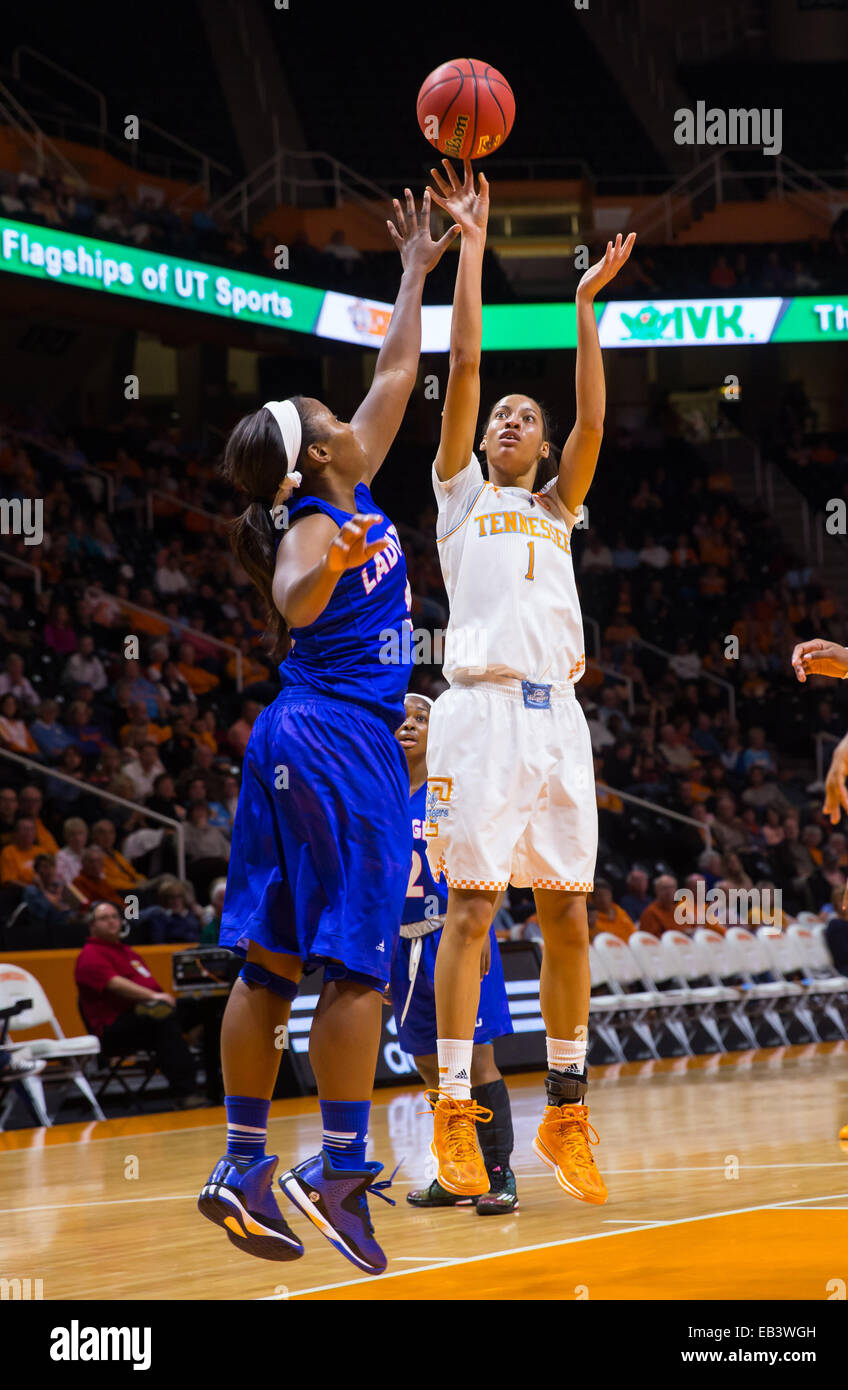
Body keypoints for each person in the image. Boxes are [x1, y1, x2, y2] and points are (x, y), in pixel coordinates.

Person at [196, 187, 459, 1275]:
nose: (346, 411)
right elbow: (295, 590)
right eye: (324, 413)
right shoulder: (317, 516)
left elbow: (397, 372)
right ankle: (338, 1169)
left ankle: (242, 1163)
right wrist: (319, 558)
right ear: (312, 459)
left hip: (298, 735)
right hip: (336, 742)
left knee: (267, 965)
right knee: (354, 966)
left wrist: (412, 273)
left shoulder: (344, 476)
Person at [420, 157, 634, 1205]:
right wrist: (471, 244)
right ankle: (454, 1111)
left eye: (521, 415)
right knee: (469, 912)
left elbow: (595, 425)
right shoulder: (459, 494)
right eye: (497, 414)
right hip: (479, 712)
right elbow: (460, 365)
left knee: (566, 917)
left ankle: (564, 1108)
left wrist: (584, 308)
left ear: (543, 448)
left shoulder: (553, 508)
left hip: (560, 721)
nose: (504, 418)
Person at [391, 693, 517, 1214]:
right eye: (402, 716)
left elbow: (487, 856)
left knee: (475, 1059)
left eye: (423, 718)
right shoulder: (378, 792)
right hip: (399, 943)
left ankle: (498, 1174)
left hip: (454, 935)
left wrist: (481, 928)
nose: (410, 724)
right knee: (426, 1062)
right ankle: (454, 1170)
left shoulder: (443, 792)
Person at [74, 900, 207, 1108]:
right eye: (103, 918)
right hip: (114, 1028)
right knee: (162, 1019)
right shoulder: (90, 955)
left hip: (146, 1014)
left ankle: (218, 1084)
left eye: (114, 917)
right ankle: (186, 1093)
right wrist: (153, 998)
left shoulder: (128, 952)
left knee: (205, 1008)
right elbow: (115, 985)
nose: (111, 922)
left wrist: (159, 999)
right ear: (92, 926)